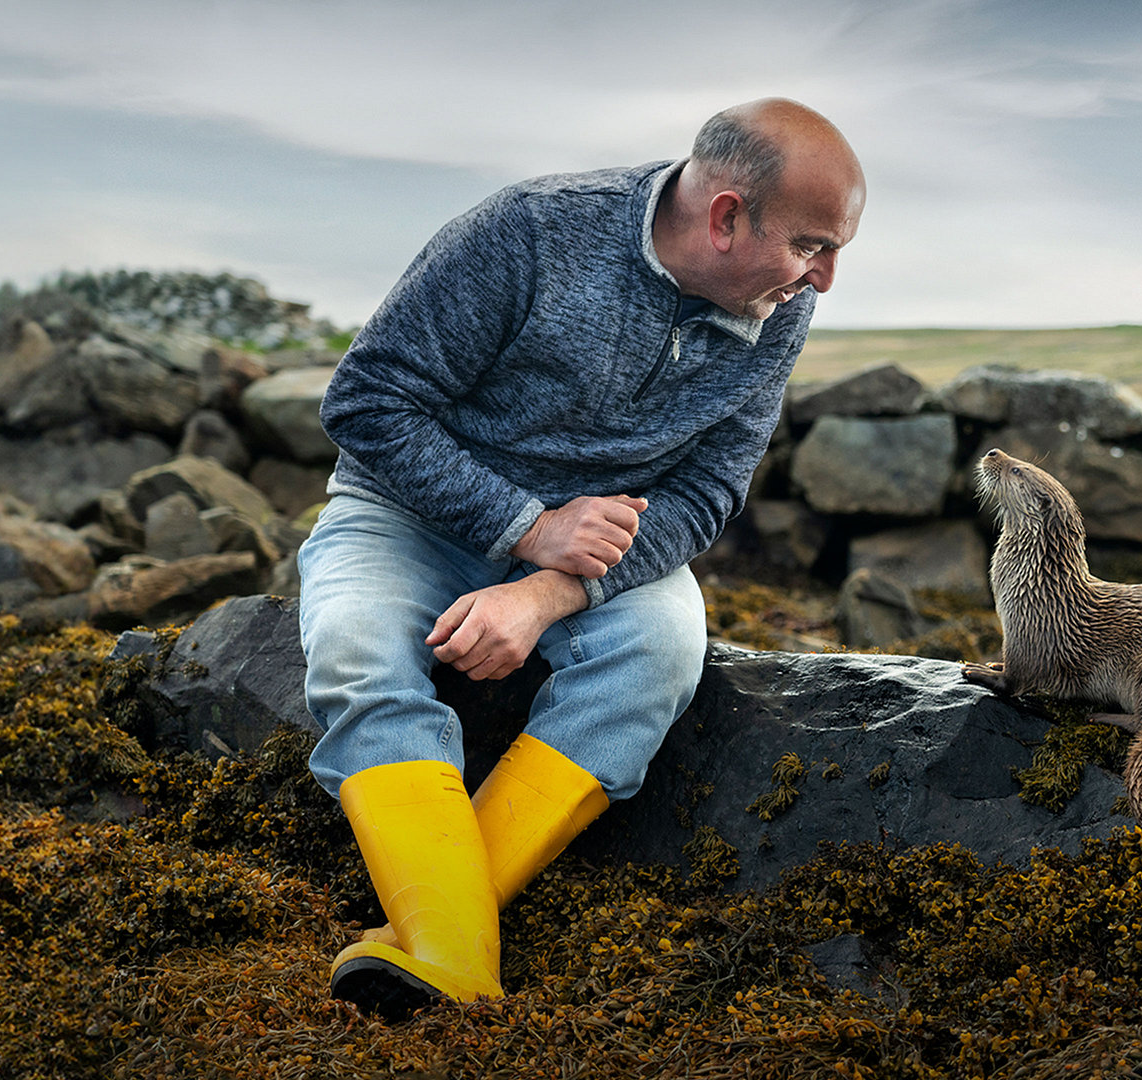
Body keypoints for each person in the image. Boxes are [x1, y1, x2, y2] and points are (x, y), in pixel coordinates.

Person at [295, 98, 865, 1018]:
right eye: (811, 245)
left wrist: (550, 590)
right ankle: (461, 955)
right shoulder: (526, 233)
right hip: (402, 517)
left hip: (600, 552)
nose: (825, 279)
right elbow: (366, 402)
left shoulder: (775, 305)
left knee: (663, 653)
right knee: (357, 648)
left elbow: (709, 494)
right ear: (725, 217)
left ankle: (438, 936)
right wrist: (525, 526)